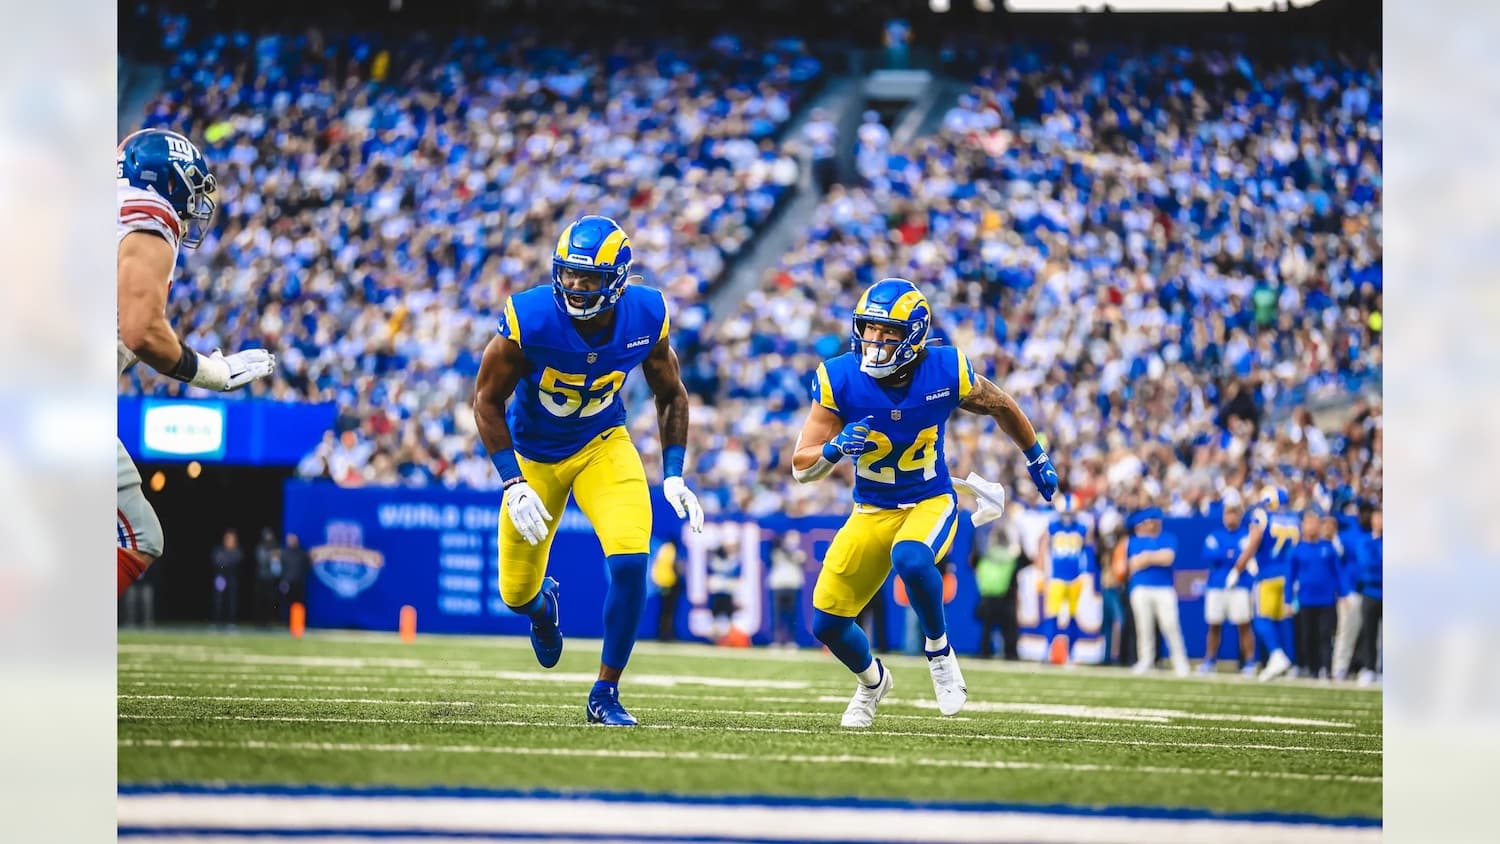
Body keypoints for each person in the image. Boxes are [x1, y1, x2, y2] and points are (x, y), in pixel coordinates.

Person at [789, 278, 1058, 727]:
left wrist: (1037, 456)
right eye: (869, 330)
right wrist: (834, 450)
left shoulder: (945, 369)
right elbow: (801, 467)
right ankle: (873, 683)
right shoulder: (839, 377)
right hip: (870, 508)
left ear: (913, 336)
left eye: (887, 333)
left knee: (912, 558)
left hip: (928, 499)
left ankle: (939, 652)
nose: (874, 341)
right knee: (828, 625)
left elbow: (1001, 405)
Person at [473, 215, 705, 727]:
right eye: (569, 275)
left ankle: (606, 691)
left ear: (618, 279)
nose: (576, 287)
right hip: (533, 456)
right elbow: (486, 401)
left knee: (629, 562)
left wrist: (673, 473)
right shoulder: (529, 317)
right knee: (515, 594)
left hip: (603, 443)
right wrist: (512, 481)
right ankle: (542, 607)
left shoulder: (646, 313)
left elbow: (671, 394)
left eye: (589, 278)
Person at [115, 129, 277, 597]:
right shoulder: (150, 212)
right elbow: (142, 332)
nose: (193, 206)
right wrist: (216, 373)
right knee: (137, 535)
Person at [1230, 486, 1302, 682]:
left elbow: (1254, 542)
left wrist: (1237, 569)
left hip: (1268, 574)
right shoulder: (1294, 518)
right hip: (1290, 576)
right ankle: (1290, 663)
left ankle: (1277, 655)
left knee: (1261, 618)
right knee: (1283, 620)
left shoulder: (1262, 516)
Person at [1125, 507, 1190, 677]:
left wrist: (1147, 557)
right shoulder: (1135, 540)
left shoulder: (1168, 538)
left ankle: (1179, 661)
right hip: (1141, 588)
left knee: (1170, 625)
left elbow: (1168, 557)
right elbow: (1133, 563)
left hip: (1164, 588)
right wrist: (1153, 557)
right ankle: (1146, 660)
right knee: (1144, 627)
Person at [1199, 490, 1256, 676]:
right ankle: (1209, 660)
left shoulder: (1247, 535)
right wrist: (1230, 554)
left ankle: (1249, 662)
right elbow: (1208, 555)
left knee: (1244, 625)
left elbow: (1246, 555)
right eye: (1228, 513)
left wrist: (1226, 555)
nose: (1231, 517)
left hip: (1240, 585)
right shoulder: (1215, 535)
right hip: (1217, 585)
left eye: (1235, 512)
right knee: (1214, 625)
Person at [1037, 493, 1093, 664]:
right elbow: (1043, 546)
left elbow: (1089, 550)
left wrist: (1087, 572)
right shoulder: (1052, 526)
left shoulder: (1082, 527)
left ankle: (1071, 652)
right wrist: (1042, 571)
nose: (1068, 516)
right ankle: (1047, 650)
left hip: (1075, 578)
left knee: (1073, 617)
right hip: (1056, 578)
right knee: (1052, 616)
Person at [1294, 511, 1341, 680]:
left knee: (1325, 635)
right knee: (1308, 636)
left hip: (1326, 599)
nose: (1312, 527)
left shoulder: (1327, 548)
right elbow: (1291, 575)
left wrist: (1342, 593)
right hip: (1306, 599)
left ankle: (1326, 668)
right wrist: (1287, 599)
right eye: (1308, 523)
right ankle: (1312, 668)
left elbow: (1337, 572)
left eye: (1315, 523)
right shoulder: (1298, 549)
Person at [972, 522, 1021, 660]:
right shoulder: (1011, 556)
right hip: (1006, 594)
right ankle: (1011, 654)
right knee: (1009, 628)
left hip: (988, 593)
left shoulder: (987, 554)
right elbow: (1025, 561)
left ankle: (984, 652)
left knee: (987, 628)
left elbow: (975, 563)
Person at [1355, 510, 1383, 686]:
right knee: (1369, 633)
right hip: (1371, 592)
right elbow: (1367, 566)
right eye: (1378, 518)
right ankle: (1369, 668)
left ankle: (1382, 669)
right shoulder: (1365, 541)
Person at [767, 531, 807, 650]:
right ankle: (776, 640)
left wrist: (788, 551)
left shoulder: (799, 553)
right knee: (777, 615)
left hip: (793, 585)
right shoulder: (777, 551)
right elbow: (771, 555)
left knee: (791, 615)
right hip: (778, 585)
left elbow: (800, 559)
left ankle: (791, 641)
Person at [650, 538, 684, 643]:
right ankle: (666, 634)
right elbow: (674, 566)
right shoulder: (670, 550)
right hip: (669, 583)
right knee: (668, 611)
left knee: (665, 611)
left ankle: (663, 633)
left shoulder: (663, 550)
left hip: (663, 584)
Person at [210, 529, 243, 629]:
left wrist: (225, 562)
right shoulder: (219, 550)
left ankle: (231, 622)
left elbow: (235, 562)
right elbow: (216, 561)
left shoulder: (237, 551)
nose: (230, 540)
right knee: (218, 600)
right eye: (228, 538)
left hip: (232, 578)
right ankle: (217, 622)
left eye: (232, 539)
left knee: (231, 600)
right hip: (220, 578)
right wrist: (224, 563)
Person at [253, 528, 284, 626]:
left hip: (271, 579)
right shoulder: (260, 548)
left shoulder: (275, 547)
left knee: (270, 601)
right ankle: (259, 621)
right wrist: (272, 555)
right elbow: (262, 560)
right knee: (260, 600)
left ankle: (268, 620)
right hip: (261, 579)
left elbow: (279, 563)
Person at [281, 533, 310, 620]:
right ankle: (288, 622)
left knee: (299, 603)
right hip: (288, 583)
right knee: (287, 603)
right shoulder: (285, 553)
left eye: (293, 540)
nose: (291, 542)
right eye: (290, 540)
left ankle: (299, 623)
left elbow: (306, 567)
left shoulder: (302, 553)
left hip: (299, 582)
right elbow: (282, 568)